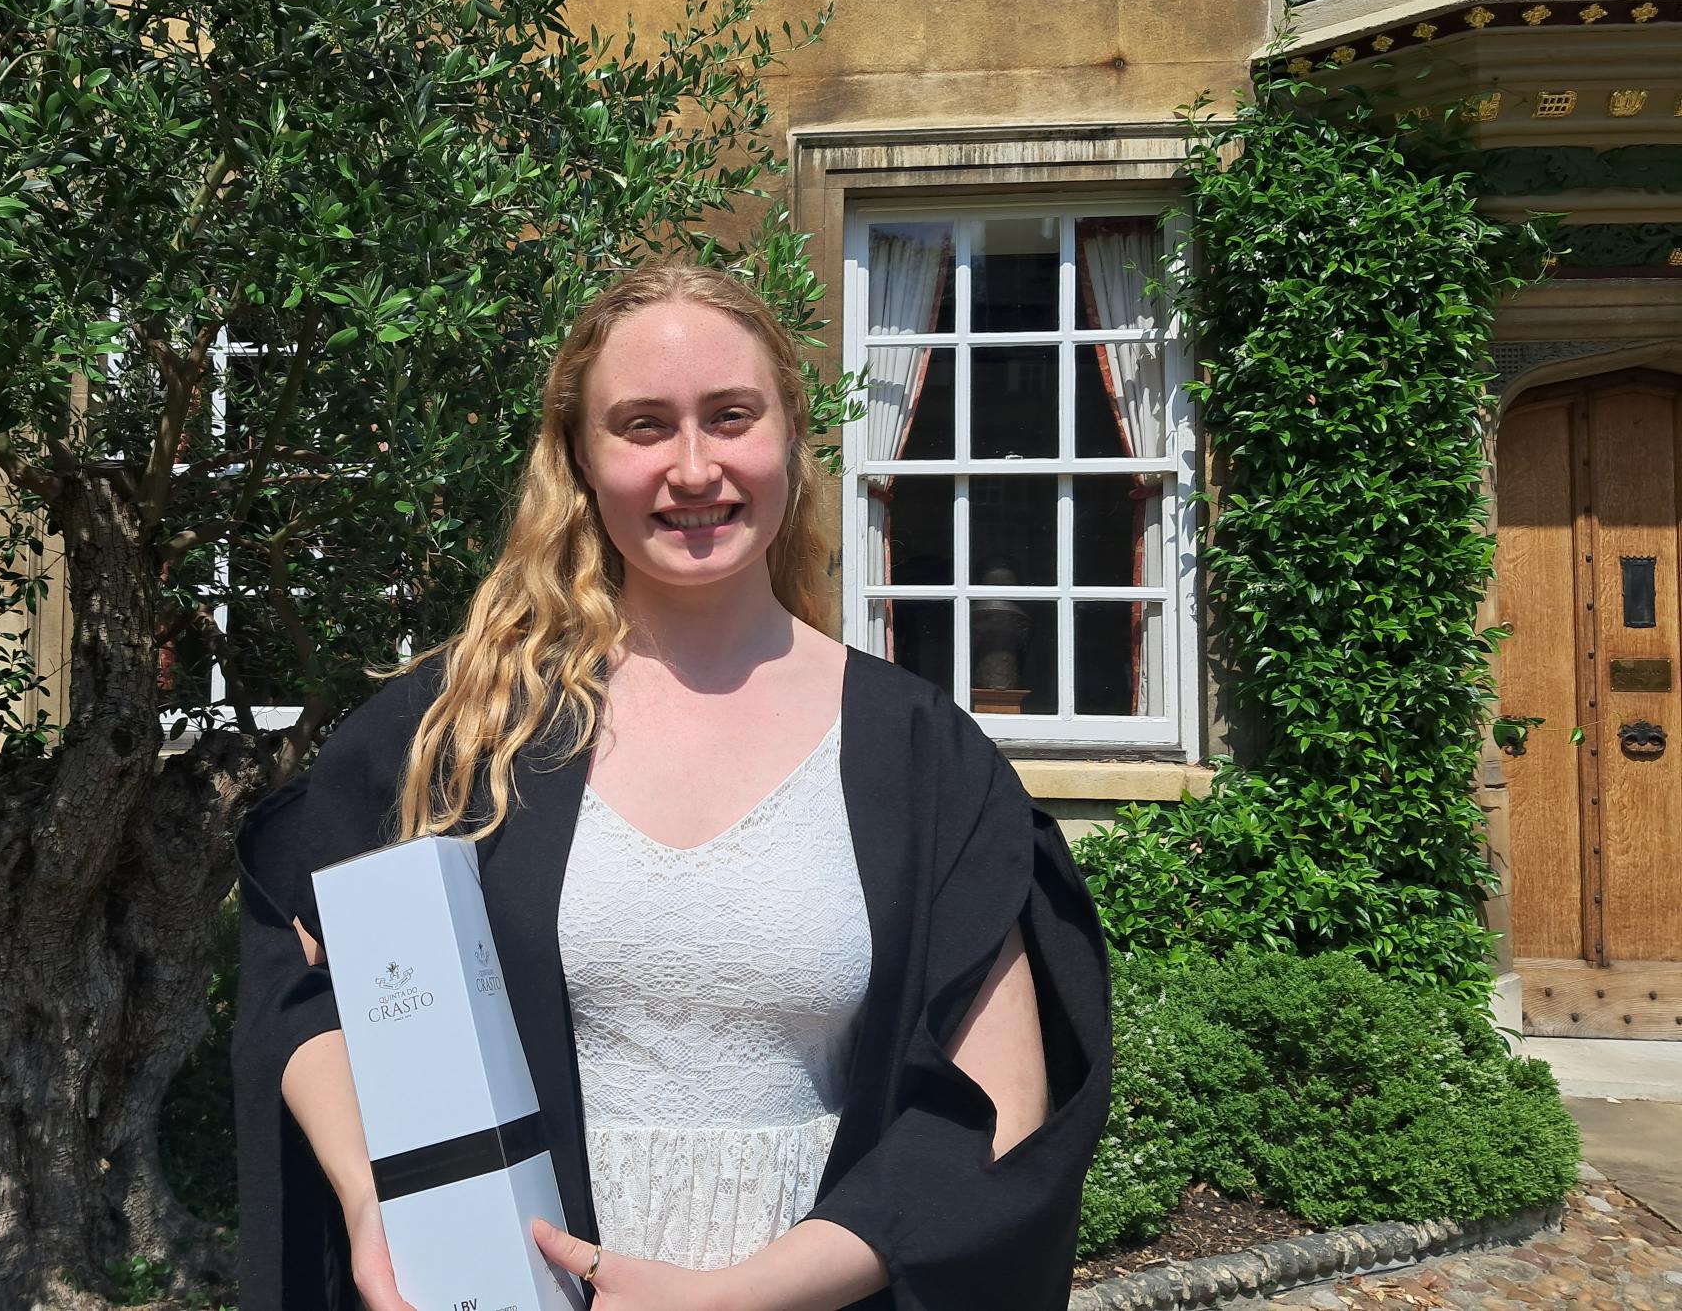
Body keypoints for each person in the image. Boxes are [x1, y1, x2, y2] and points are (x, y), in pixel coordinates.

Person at [232, 265, 1112, 1311]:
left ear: (789, 432)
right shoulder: (466, 729)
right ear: (581, 462)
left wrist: (744, 1296)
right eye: (643, 425)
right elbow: (299, 974)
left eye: (730, 416)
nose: (694, 467)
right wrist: (380, 1194)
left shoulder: (923, 760)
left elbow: (1000, 1116)